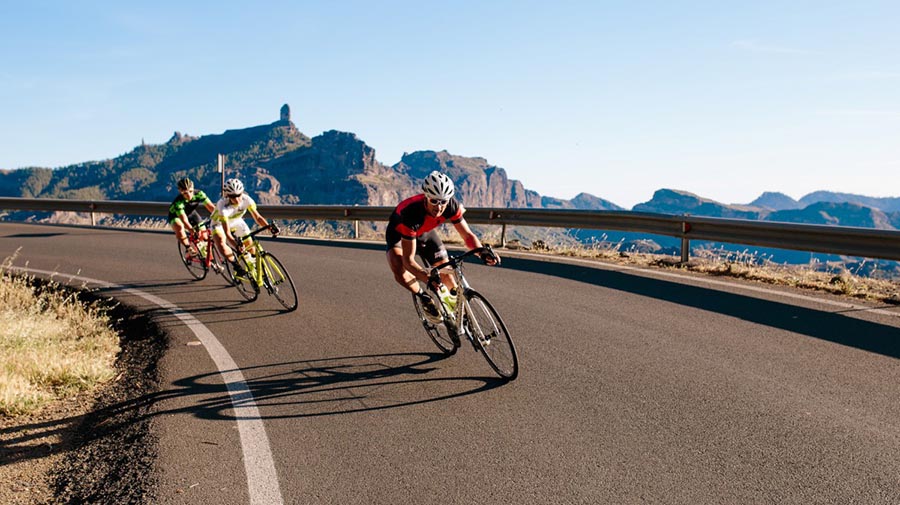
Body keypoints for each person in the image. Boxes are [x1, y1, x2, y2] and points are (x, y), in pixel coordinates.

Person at [386, 170, 499, 323]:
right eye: (434, 201)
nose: (439, 207)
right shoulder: (412, 213)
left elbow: (467, 235)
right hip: (400, 234)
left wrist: (481, 252)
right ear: (426, 197)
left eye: (443, 201)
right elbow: (409, 260)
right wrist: (427, 279)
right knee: (398, 266)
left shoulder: (451, 206)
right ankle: (424, 297)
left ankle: (459, 314)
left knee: (444, 268)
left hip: (424, 232)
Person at [212, 178, 279, 277]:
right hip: (219, 224)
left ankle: (255, 269)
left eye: (238, 195)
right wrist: (236, 246)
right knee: (221, 243)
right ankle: (236, 265)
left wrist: (268, 227)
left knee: (250, 246)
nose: (237, 199)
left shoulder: (247, 199)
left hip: (236, 221)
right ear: (227, 195)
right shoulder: (222, 206)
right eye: (233, 196)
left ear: (242, 192)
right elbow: (227, 234)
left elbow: (258, 217)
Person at [168, 177, 216, 257]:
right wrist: (191, 230)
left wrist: (220, 217)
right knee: (180, 227)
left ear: (193, 188)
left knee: (204, 236)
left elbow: (211, 207)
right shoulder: (178, 202)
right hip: (176, 216)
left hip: (191, 213)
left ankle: (210, 260)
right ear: (180, 191)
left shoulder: (199, 194)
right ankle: (188, 248)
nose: (189, 195)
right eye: (185, 193)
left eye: (190, 191)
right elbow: (184, 220)